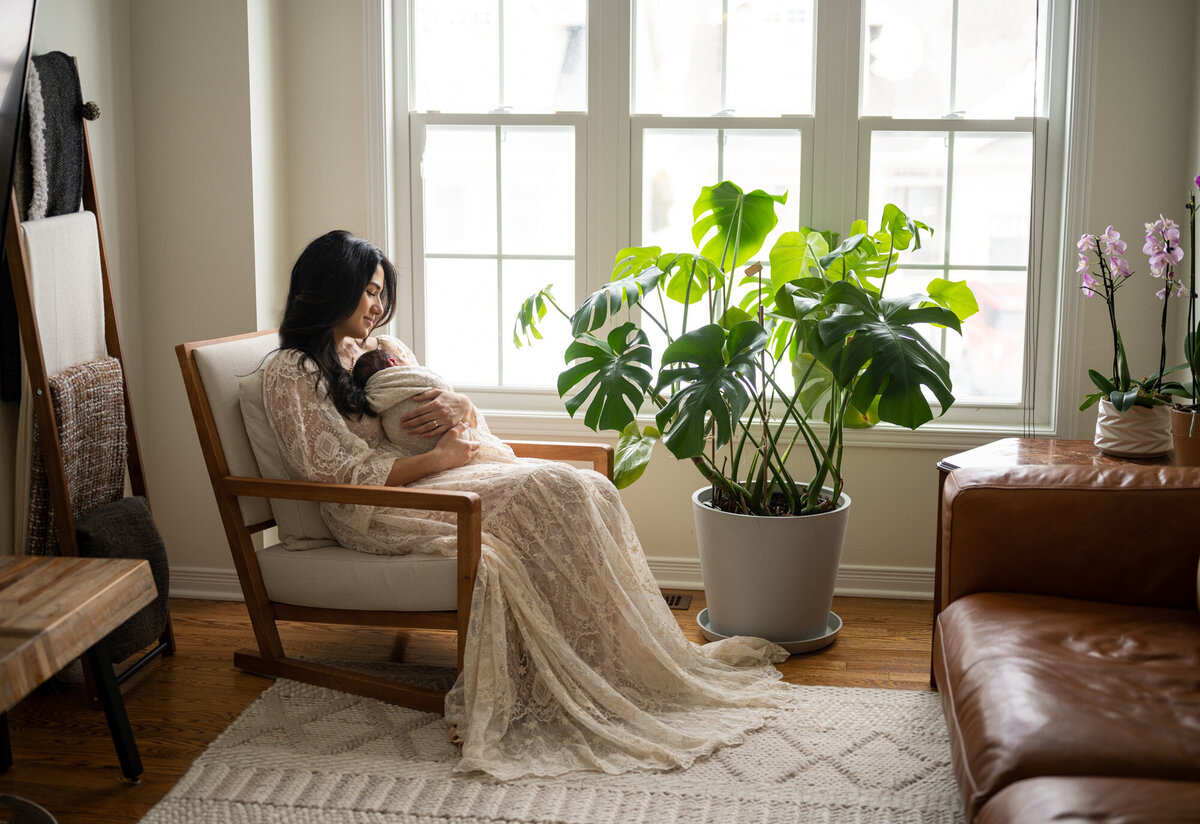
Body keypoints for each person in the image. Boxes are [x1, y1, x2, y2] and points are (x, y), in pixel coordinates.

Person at [261, 229, 794, 780]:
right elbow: (335, 473)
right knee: (554, 489)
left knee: (589, 487)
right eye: (367, 292)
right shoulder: (292, 371)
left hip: (442, 475)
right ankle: (577, 674)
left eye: (380, 293)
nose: (377, 306)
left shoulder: (388, 351)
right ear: (331, 286)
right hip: (377, 505)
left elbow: (452, 420)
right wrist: (440, 459)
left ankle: (607, 657)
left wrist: (460, 408)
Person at [350, 348, 515, 464]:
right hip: (437, 458)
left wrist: (464, 404)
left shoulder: (373, 393)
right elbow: (435, 382)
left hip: (410, 447)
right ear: (393, 363)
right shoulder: (409, 376)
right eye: (371, 295)